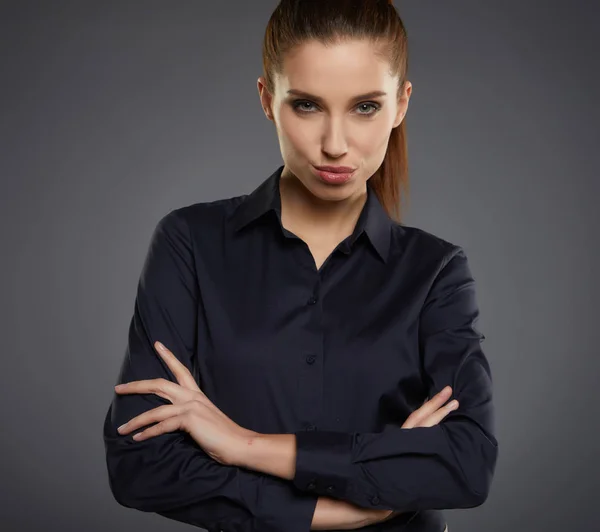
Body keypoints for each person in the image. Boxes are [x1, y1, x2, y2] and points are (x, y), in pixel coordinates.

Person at [102, 1, 498, 531]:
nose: (335, 145)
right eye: (308, 105)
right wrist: (355, 502)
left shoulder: (436, 271)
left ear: (401, 104)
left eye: (365, 107)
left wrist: (244, 445)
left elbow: (467, 464)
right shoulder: (190, 243)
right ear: (268, 99)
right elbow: (139, 464)